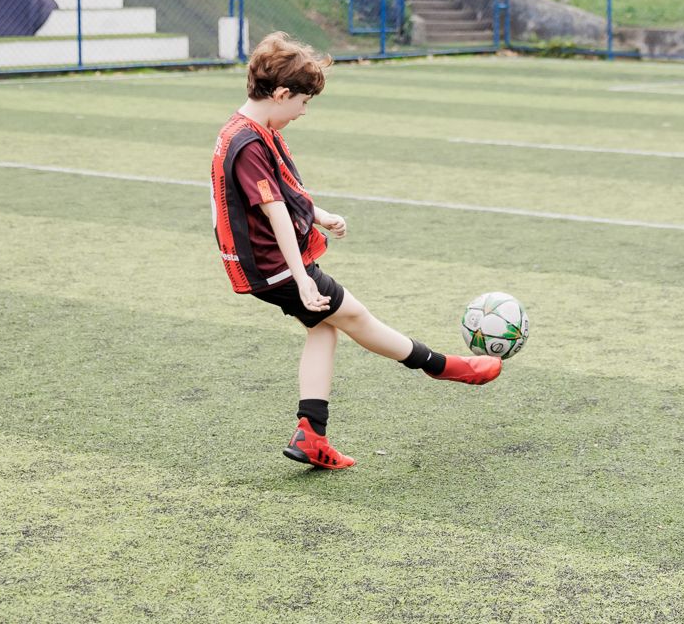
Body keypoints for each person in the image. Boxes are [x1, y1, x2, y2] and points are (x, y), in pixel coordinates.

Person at [211, 32, 500, 470]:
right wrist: (303, 278)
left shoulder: (248, 129)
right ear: (282, 93)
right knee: (357, 318)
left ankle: (312, 432)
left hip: (268, 265)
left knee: (324, 328)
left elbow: (280, 195)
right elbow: (272, 214)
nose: (304, 112)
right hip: (274, 267)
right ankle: (443, 366)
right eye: (303, 103)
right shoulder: (249, 142)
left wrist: (320, 214)